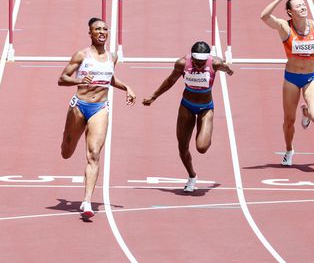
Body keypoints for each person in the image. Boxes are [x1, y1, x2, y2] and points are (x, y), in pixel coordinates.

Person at [58, 17, 136, 218]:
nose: (102, 32)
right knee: (66, 152)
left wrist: (126, 87)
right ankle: (68, 136)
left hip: (99, 108)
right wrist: (79, 79)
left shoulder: (113, 57)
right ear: (90, 33)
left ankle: (87, 202)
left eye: (105, 29)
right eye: (97, 29)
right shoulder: (81, 55)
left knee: (93, 154)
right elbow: (62, 79)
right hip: (79, 106)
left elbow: (108, 78)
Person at [260, 0, 314, 166]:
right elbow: (264, 17)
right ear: (290, 12)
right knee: (289, 121)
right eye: (298, 6)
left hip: (311, 77)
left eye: (304, 5)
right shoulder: (284, 27)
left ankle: (306, 111)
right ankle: (289, 150)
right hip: (291, 78)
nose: (303, 8)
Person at [142, 41, 233, 192]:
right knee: (182, 147)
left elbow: (226, 68)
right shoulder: (182, 63)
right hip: (187, 106)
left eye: (202, 62)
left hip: (206, 108)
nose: (198, 65)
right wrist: (154, 96)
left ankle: (205, 129)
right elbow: (170, 80)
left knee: (202, 147)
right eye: (196, 62)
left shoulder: (215, 64)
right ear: (192, 57)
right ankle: (192, 176)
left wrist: (228, 70)